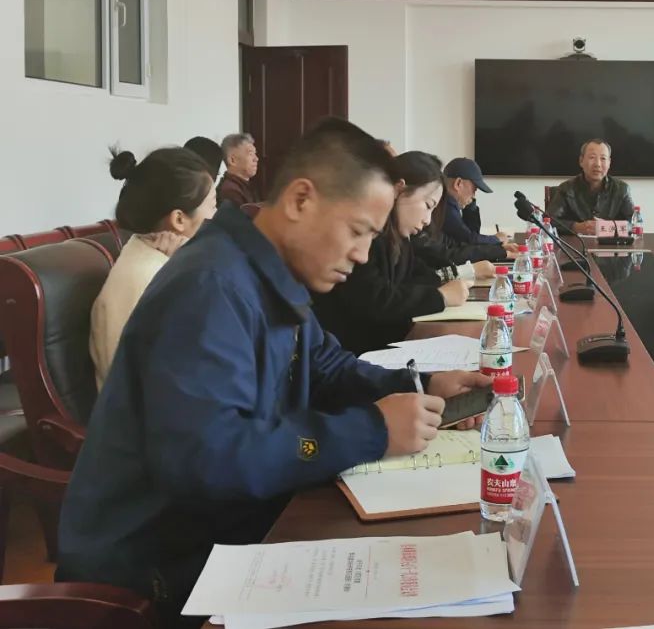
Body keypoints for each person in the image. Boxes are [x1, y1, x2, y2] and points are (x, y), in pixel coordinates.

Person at [57, 118, 491, 624]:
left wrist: (420, 385)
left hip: (239, 531)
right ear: (301, 200)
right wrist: (372, 429)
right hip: (161, 577)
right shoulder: (211, 288)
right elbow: (210, 460)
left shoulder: (266, 268)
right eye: (357, 231)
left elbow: (325, 365)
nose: (361, 254)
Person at [312, 151, 472, 355]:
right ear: (399, 190)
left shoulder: (399, 239)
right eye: (427, 206)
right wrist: (440, 297)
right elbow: (375, 300)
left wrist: (445, 284)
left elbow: (417, 275)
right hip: (352, 354)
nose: (427, 220)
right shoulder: (367, 236)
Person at [90, 147, 217, 389]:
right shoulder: (145, 279)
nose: (217, 215)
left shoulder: (157, 258)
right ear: (179, 219)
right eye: (213, 205)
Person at [546, 139, 634, 236]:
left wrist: (608, 227)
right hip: (573, 244)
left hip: (609, 244)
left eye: (603, 158)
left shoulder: (622, 189)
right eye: (592, 157)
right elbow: (548, 220)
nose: (597, 164)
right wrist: (576, 227)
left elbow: (634, 224)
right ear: (581, 161)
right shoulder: (566, 189)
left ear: (609, 163)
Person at [441, 157, 515, 261]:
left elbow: (470, 237)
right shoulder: (445, 207)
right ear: (458, 184)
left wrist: (471, 206)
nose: (474, 195)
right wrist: (496, 239)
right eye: (474, 189)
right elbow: (468, 240)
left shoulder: (448, 204)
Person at [216, 132, 260, 206]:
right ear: (232, 160)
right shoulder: (230, 191)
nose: (256, 159)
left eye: (255, 153)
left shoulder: (245, 186)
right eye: (250, 154)